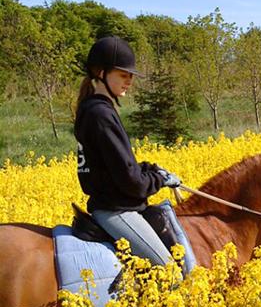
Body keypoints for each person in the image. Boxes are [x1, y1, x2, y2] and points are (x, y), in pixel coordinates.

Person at [73, 36, 195, 274]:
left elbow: (117, 165)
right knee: (169, 273)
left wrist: (151, 169)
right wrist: (159, 180)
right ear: (100, 72)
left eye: (130, 76)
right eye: (123, 75)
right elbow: (132, 183)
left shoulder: (95, 109)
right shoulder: (100, 115)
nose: (129, 81)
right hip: (116, 211)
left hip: (113, 204)